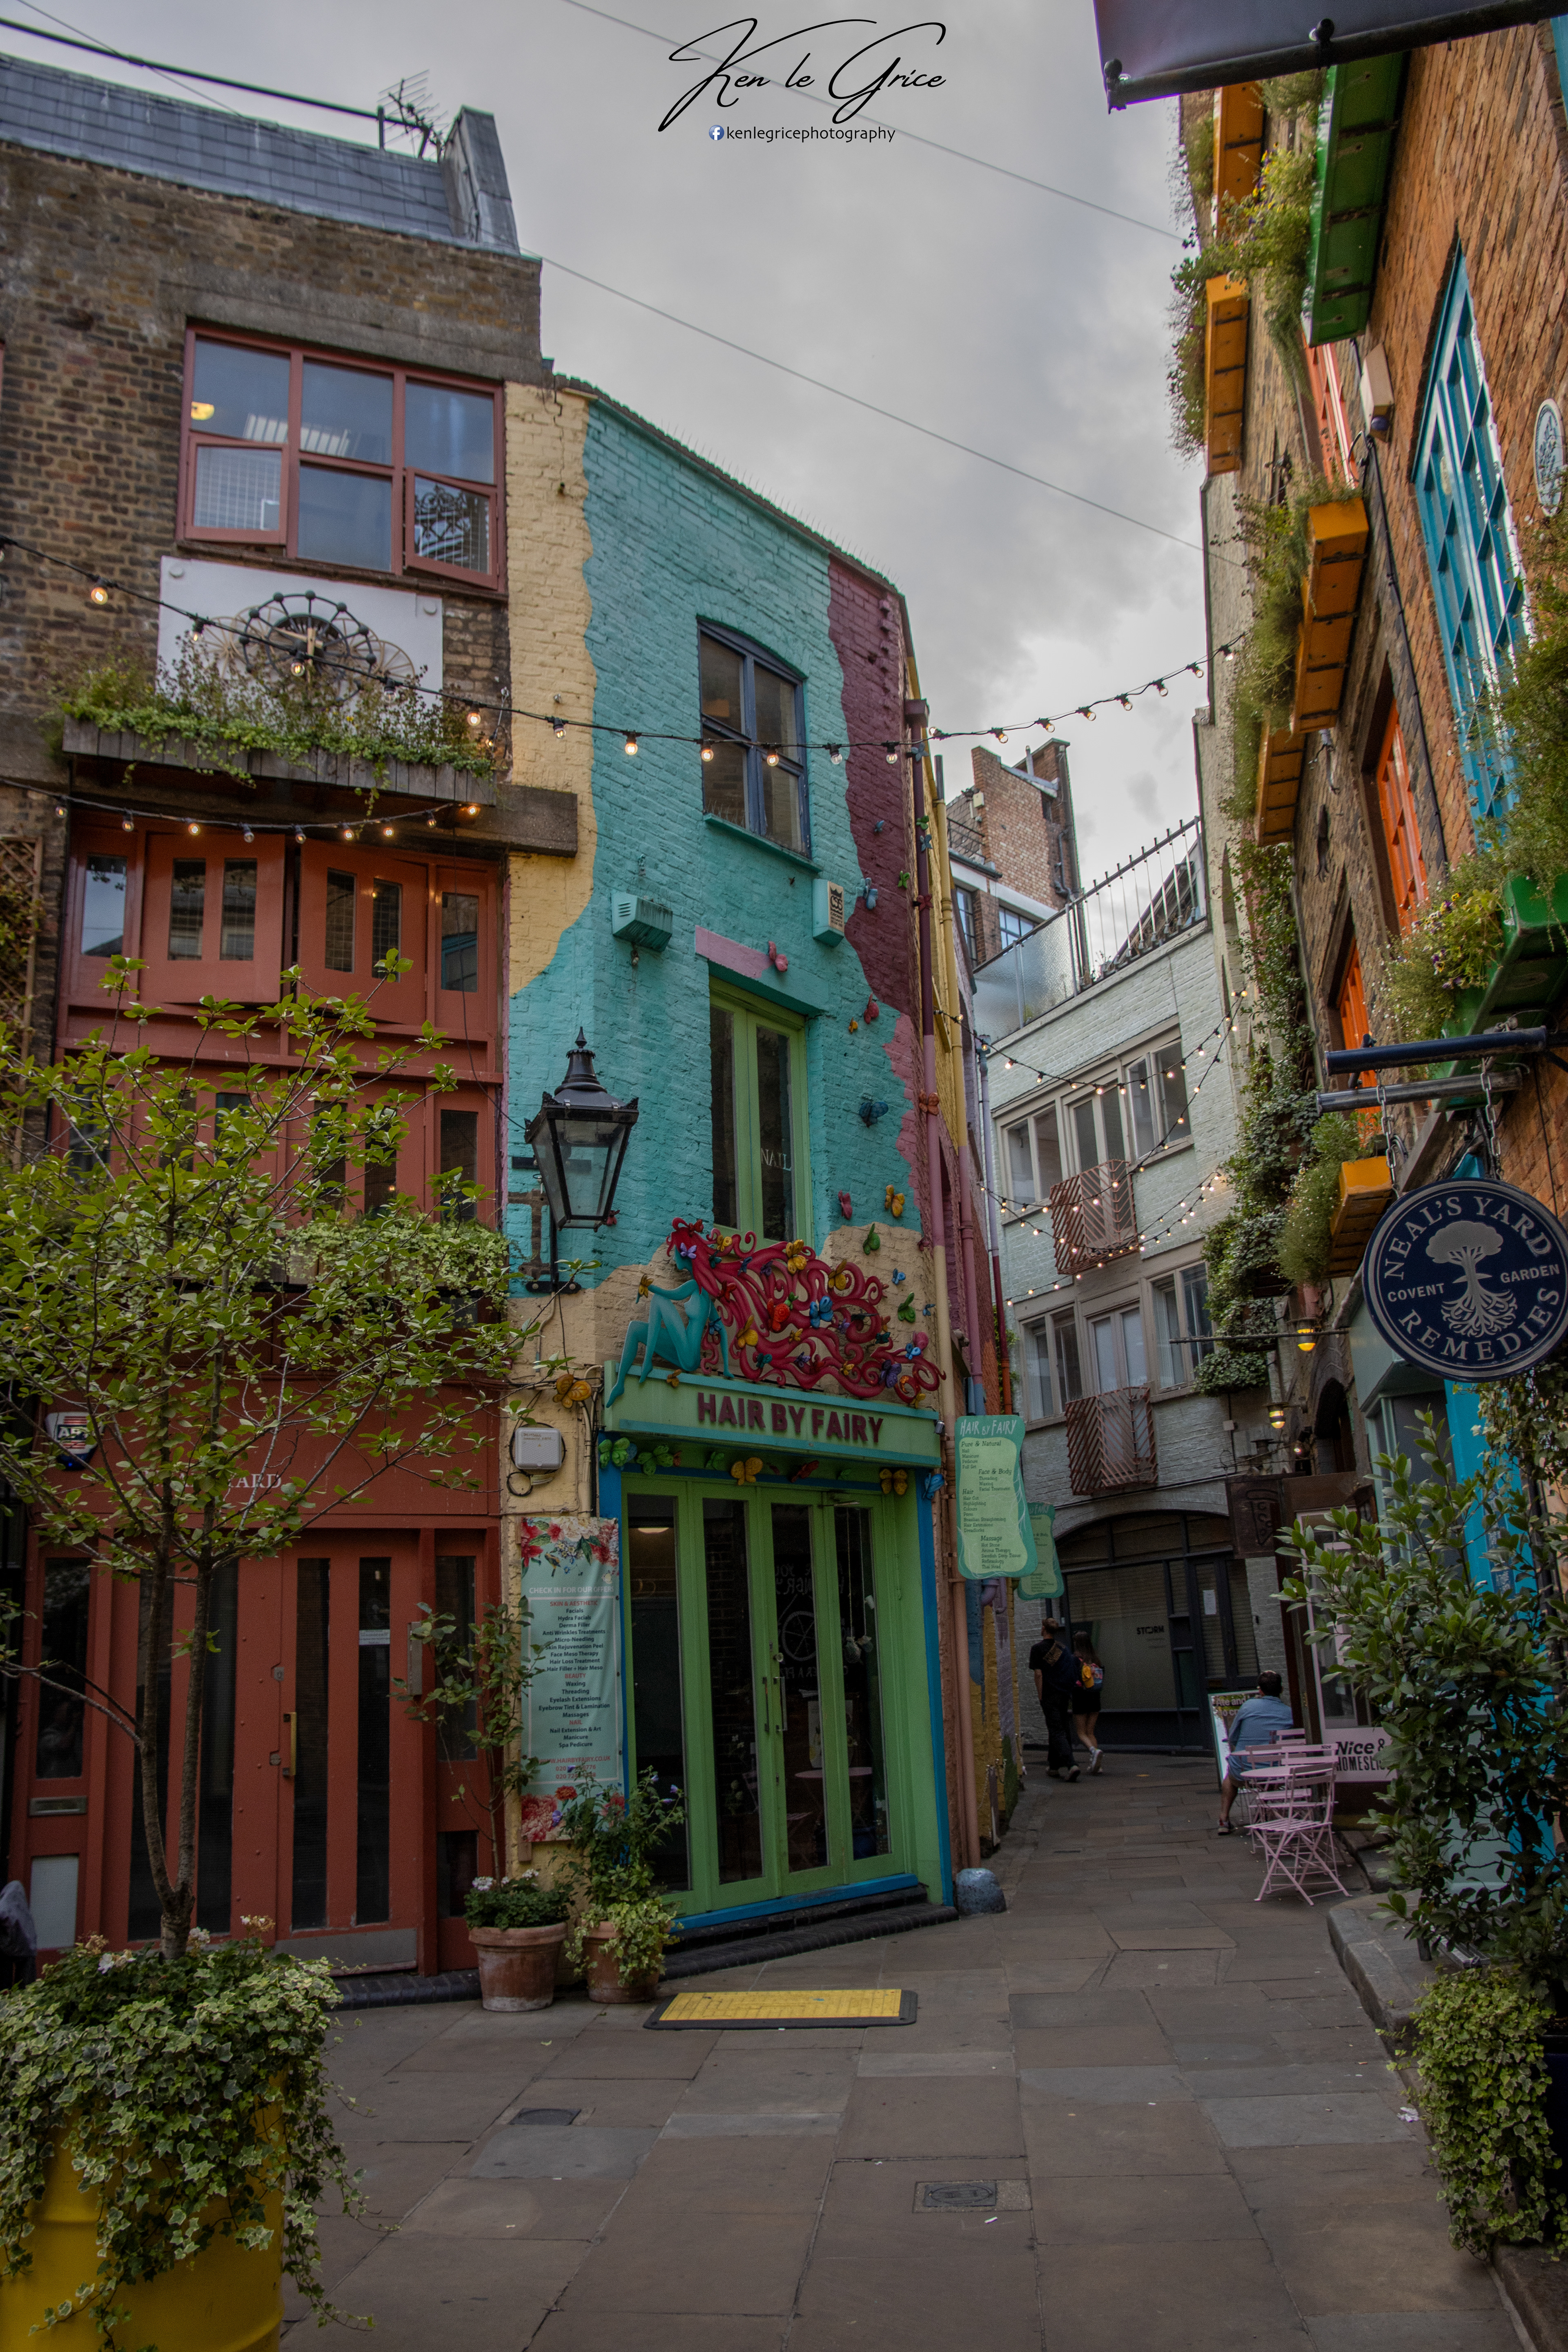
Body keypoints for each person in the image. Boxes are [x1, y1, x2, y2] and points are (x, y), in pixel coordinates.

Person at [1217, 1671, 1296, 1833]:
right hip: (1275, 1772)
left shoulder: (1248, 1706)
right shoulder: (1289, 1713)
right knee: (1271, 1768)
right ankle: (1264, 1812)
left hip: (1245, 1769)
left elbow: (1233, 1737)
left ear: (1260, 1691)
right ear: (1282, 1690)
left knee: (1230, 1778)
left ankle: (1224, 1819)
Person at [1029, 1617, 1080, 1782]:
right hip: (1064, 1694)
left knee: (1057, 1730)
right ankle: (1053, 1766)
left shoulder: (1037, 1649)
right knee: (1061, 1728)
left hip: (1049, 1694)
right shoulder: (1063, 1649)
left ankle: (1072, 1765)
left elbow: (1038, 1674)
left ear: (1044, 1629)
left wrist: (1040, 1695)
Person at [1071, 1630, 1105, 1773]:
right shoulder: (1096, 1659)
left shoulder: (1075, 1660)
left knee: (1081, 1733)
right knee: (1091, 1732)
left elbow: (1072, 1679)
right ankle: (1098, 1766)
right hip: (1095, 1698)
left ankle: (1093, 1751)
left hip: (1081, 1698)